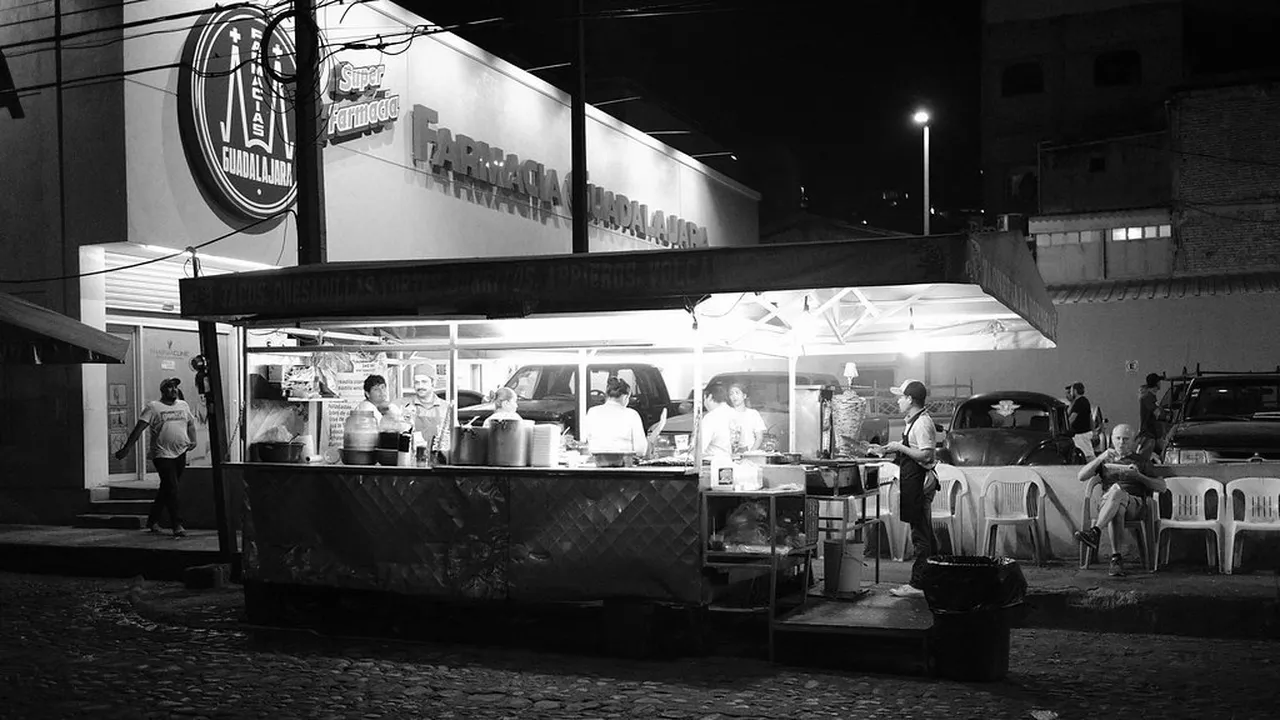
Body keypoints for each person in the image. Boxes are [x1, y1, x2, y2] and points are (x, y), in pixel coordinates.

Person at [871, 379, 938, 599]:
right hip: (912, 481)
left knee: (921, 535)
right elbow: (911, 451)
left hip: (920, 482)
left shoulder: (922, 423)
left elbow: (926, 455)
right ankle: (934, 579)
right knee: (922, 532)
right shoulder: (912, 421)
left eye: (900, 397)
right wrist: (884, 450)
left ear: (910, 399)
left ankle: (919, 584)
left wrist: (899, 446)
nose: (898, 401)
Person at [1073, 423, 1167, 577]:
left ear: (1134, 442)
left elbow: (1162, 487)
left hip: (1134, 504)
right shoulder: (1105, 460)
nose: (1121, 443)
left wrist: (1139, 477)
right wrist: (1101, 457)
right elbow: (1081, 476)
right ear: (1112, 440)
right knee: (1117, 506)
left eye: (1126, 439)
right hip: (1109, 504)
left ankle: (1095, 532)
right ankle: (1116, 559)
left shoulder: (1141, 461)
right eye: (1118, 439)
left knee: (1117, 493)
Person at [114, 377, 197, 538]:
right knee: (172, 488)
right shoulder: (153, 407)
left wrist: (193, 439)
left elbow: (190, 423)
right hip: (162, 454)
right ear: (163, 390)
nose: (174, 390)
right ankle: (177, 524)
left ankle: (153, 520)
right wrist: (126, 449)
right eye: (170, 387)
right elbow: (138, 429)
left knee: (167, 488)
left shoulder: (183, 405)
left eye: (175, 387)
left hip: (181, 452)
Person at [585, 377, 657, 466]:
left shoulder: (592, 412)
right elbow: (640, 450)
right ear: (625, 397)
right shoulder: (632, 414)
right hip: (623, 467)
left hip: (597, 466)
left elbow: (587, 441)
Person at [406, 374, 453, 462]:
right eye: (417, 382)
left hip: (439, 462)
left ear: (433, 383)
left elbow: (455, 436)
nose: (420, 386)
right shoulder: (407, 406)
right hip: (414, 462)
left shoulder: (446, 407)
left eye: (424, 382)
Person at [726, 382, 767, 454]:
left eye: (737, 393)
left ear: (744, 396)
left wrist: (750, 453)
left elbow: (759, 438)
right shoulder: (727, 413)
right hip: (730, 454)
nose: (734, 396)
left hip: (749, 453)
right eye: (731, 394)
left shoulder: (753, 414)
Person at [698, 382, 733, 461]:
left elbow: (699, 449)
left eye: (704, 399)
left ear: (709, 397)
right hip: (737, 462)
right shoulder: (734, 413)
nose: (704, 403)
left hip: (715, 463)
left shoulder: (711, 418)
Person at [1065, 381, 1096, 461]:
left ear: (1075, 391)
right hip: (1083, 434)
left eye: (1071, 391)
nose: (1070, 393)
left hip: (1080, 435)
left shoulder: (1079, 402)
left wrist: (1064, 428)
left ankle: (1096, 467)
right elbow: (1090, 418)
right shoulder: (1084, 401)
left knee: (1088, 456)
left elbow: (1072, 418)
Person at [1137, 373, 1163, 455]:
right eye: (1159, 381)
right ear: (1156, 383)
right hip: (1149, 434)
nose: (1160, 383)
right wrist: (1166, 415)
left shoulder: (1151, 397)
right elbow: (1157, 414)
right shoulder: (1148, 397)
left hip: (1153, 433)